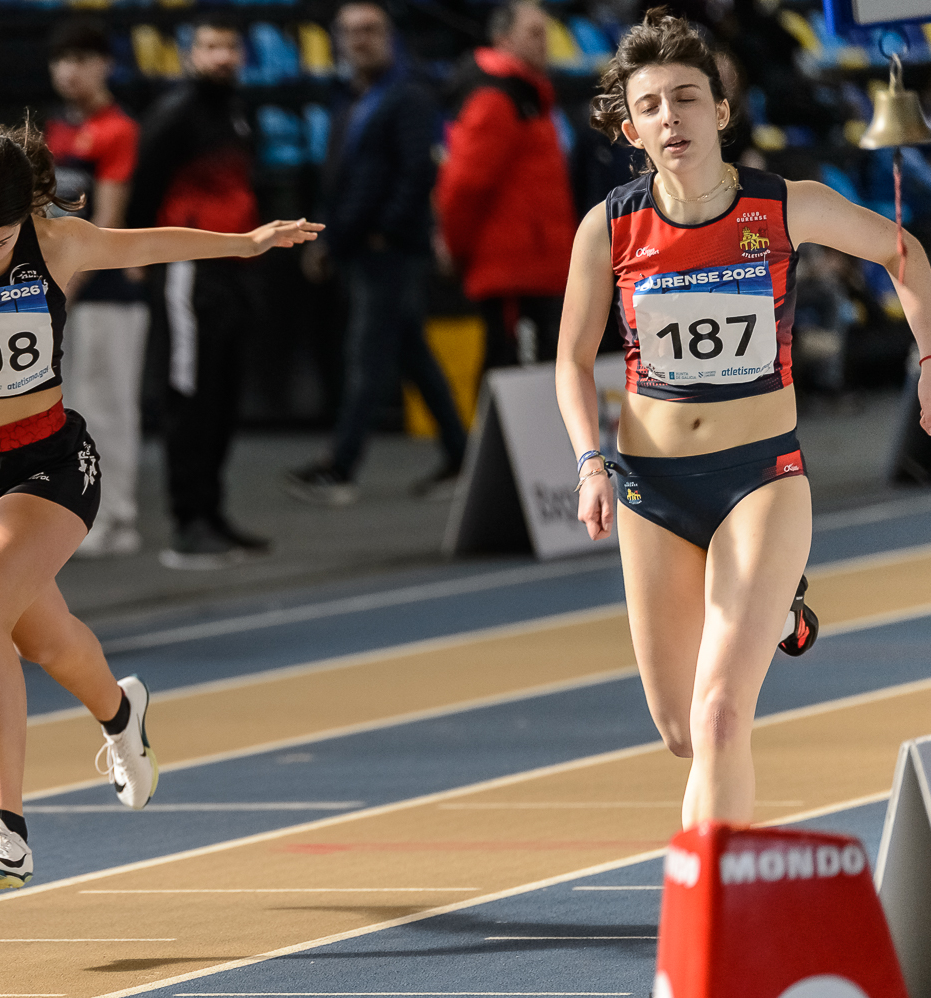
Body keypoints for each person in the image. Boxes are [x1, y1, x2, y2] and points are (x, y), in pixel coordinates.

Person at [0, 119, 320, 889]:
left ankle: (7, 831)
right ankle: (121, 713)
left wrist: (246, 242)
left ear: (25, 218)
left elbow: (149, 243)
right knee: (43, 641)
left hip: (46, 465)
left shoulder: (55, 242)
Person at [555, 9, 931, 830]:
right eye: (651, 106)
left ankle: (712, 901)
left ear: (720, 111)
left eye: (687, 98)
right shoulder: (609, 227)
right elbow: (572, 361)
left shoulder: (785, 206)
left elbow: (906, 256)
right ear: (631, 130)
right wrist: (588, 462)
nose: (671, 117)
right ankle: (782, 613)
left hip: (760, 477)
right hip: (652, 489)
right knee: (683, 731)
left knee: (723, 714)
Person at [285, 2, 467, 506]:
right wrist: (327, 237)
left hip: (390, 251)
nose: (360, 40)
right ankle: (461, 455)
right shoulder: (350, 98)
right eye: (351, 32)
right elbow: (340, 177)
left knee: (367, 357)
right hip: (359, 247)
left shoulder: (407, 96)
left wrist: (385, 232)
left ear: (389, 36)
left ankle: (340, 466)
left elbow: (417, 172)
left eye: (370, 30)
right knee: (412, 355)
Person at [127, 19, 269, 569]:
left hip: (234, 270)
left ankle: (213, 513)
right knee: (189, 396)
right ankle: (188, 524)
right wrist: (144, 255)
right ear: (190, 55)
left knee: (224, 396)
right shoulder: (174, 112)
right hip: (189, 271)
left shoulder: (238, 110)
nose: (222, 56)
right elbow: (144, 190)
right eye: (210, 46)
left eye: (230, 45)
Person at [44, 19, 147, 558]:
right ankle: (82, 519)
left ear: (105, 66)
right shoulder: (52, 132)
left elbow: (104, 226)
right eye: (62, 61)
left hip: (107, 296)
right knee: (71, 411)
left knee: (109, 410)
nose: (70, 71)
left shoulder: (117, 130)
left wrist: (66, 288)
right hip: (62, 294)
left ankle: (119, 520)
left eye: (82, 60)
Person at [436, 0, 576, 371]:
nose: (544, 42)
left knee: (519, 372)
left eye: (545, 33)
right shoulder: (497, 98)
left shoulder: (527, 93)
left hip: (532, 264)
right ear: (503, 38)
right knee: (513, 371)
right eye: (533, 33)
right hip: (513, 270)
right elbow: (465, 185)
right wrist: (455, 247)